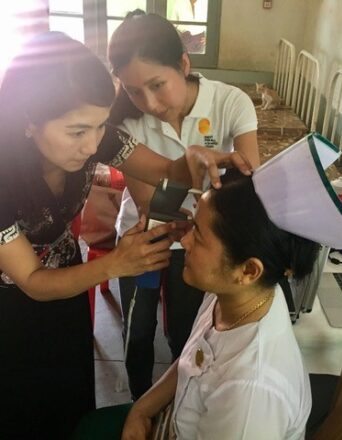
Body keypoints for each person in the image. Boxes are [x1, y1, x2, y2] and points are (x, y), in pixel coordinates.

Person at [0, 32, 250, 440]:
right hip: (13, 303)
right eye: (77, 132)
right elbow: (31, 280)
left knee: (69, 386)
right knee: (23, 398)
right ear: (28, 120)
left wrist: (191, 159)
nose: (92, 145)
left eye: (100, 126)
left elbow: (165, 170)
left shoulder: (96, 137)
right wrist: (116, 264)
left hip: (66, 281)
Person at [71, 168, 319, 440]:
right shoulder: (234, 294)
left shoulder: (249, 393)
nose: (184, 240)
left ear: (248, 270)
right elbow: (190, 361)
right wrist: (141, 410)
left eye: (198, 235)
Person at [108, 11, 259, 401]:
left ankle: (180, 403)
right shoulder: (126, 122)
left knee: (186, 330)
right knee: (137, 330)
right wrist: (204, 185)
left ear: (184, 64)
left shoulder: (230, 102)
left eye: (157, 85)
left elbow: (248, 185)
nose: (149, 102)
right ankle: (139, 402)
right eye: (134, 91)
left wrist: (197, 203)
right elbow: (149, 207)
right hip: (144, 237)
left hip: (199, 242)